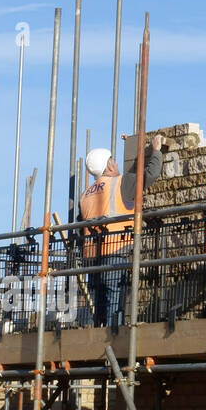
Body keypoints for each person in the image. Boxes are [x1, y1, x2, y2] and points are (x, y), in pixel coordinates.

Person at [79, 134, 164, 329]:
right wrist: (156, 151)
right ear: (109, 166)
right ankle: (112, 342)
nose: (116, 164)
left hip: (91, 256)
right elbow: (149, 175)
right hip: (116, 250)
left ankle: (90, 341)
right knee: (114, 300)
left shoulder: (86, 194)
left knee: (95, 302)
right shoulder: (120, 183)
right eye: (113, 160)